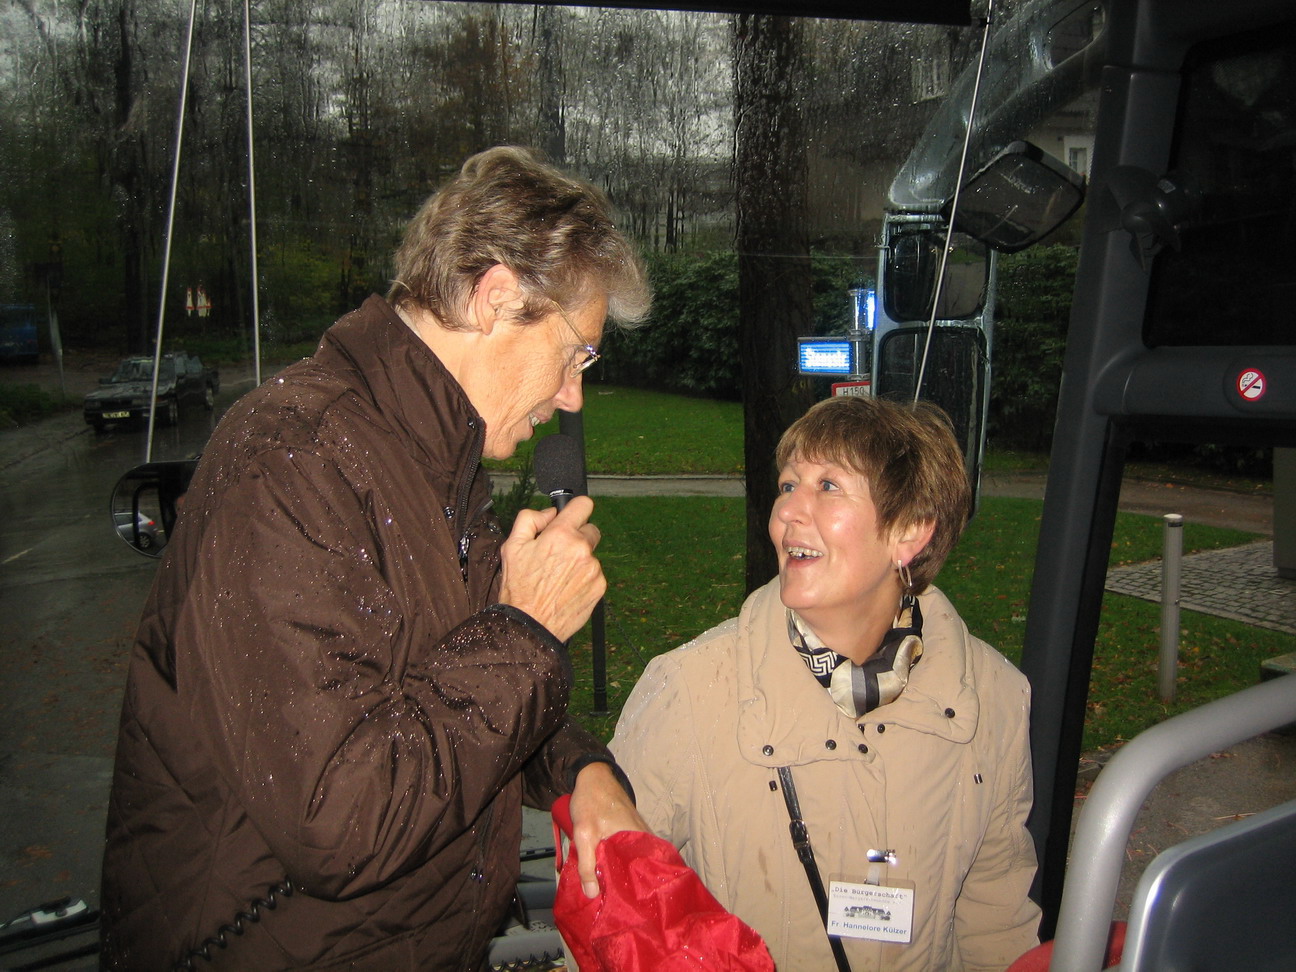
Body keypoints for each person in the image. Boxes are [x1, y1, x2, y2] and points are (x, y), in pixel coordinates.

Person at [101, 146, 650, 971]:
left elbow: (440, 691)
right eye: (578, 353)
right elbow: (343, 817)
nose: (575, 393)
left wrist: (580, 772)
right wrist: (527, 629)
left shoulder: (431, 462)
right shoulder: (293, 459)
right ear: (495, 296)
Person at [610, 395, 1041, 971]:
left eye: (828, 486)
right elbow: (610, 905)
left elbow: (997, 918)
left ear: (908, 532)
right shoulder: (690, 690)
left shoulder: (995, 700)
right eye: (788, 485)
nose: (788, 511)